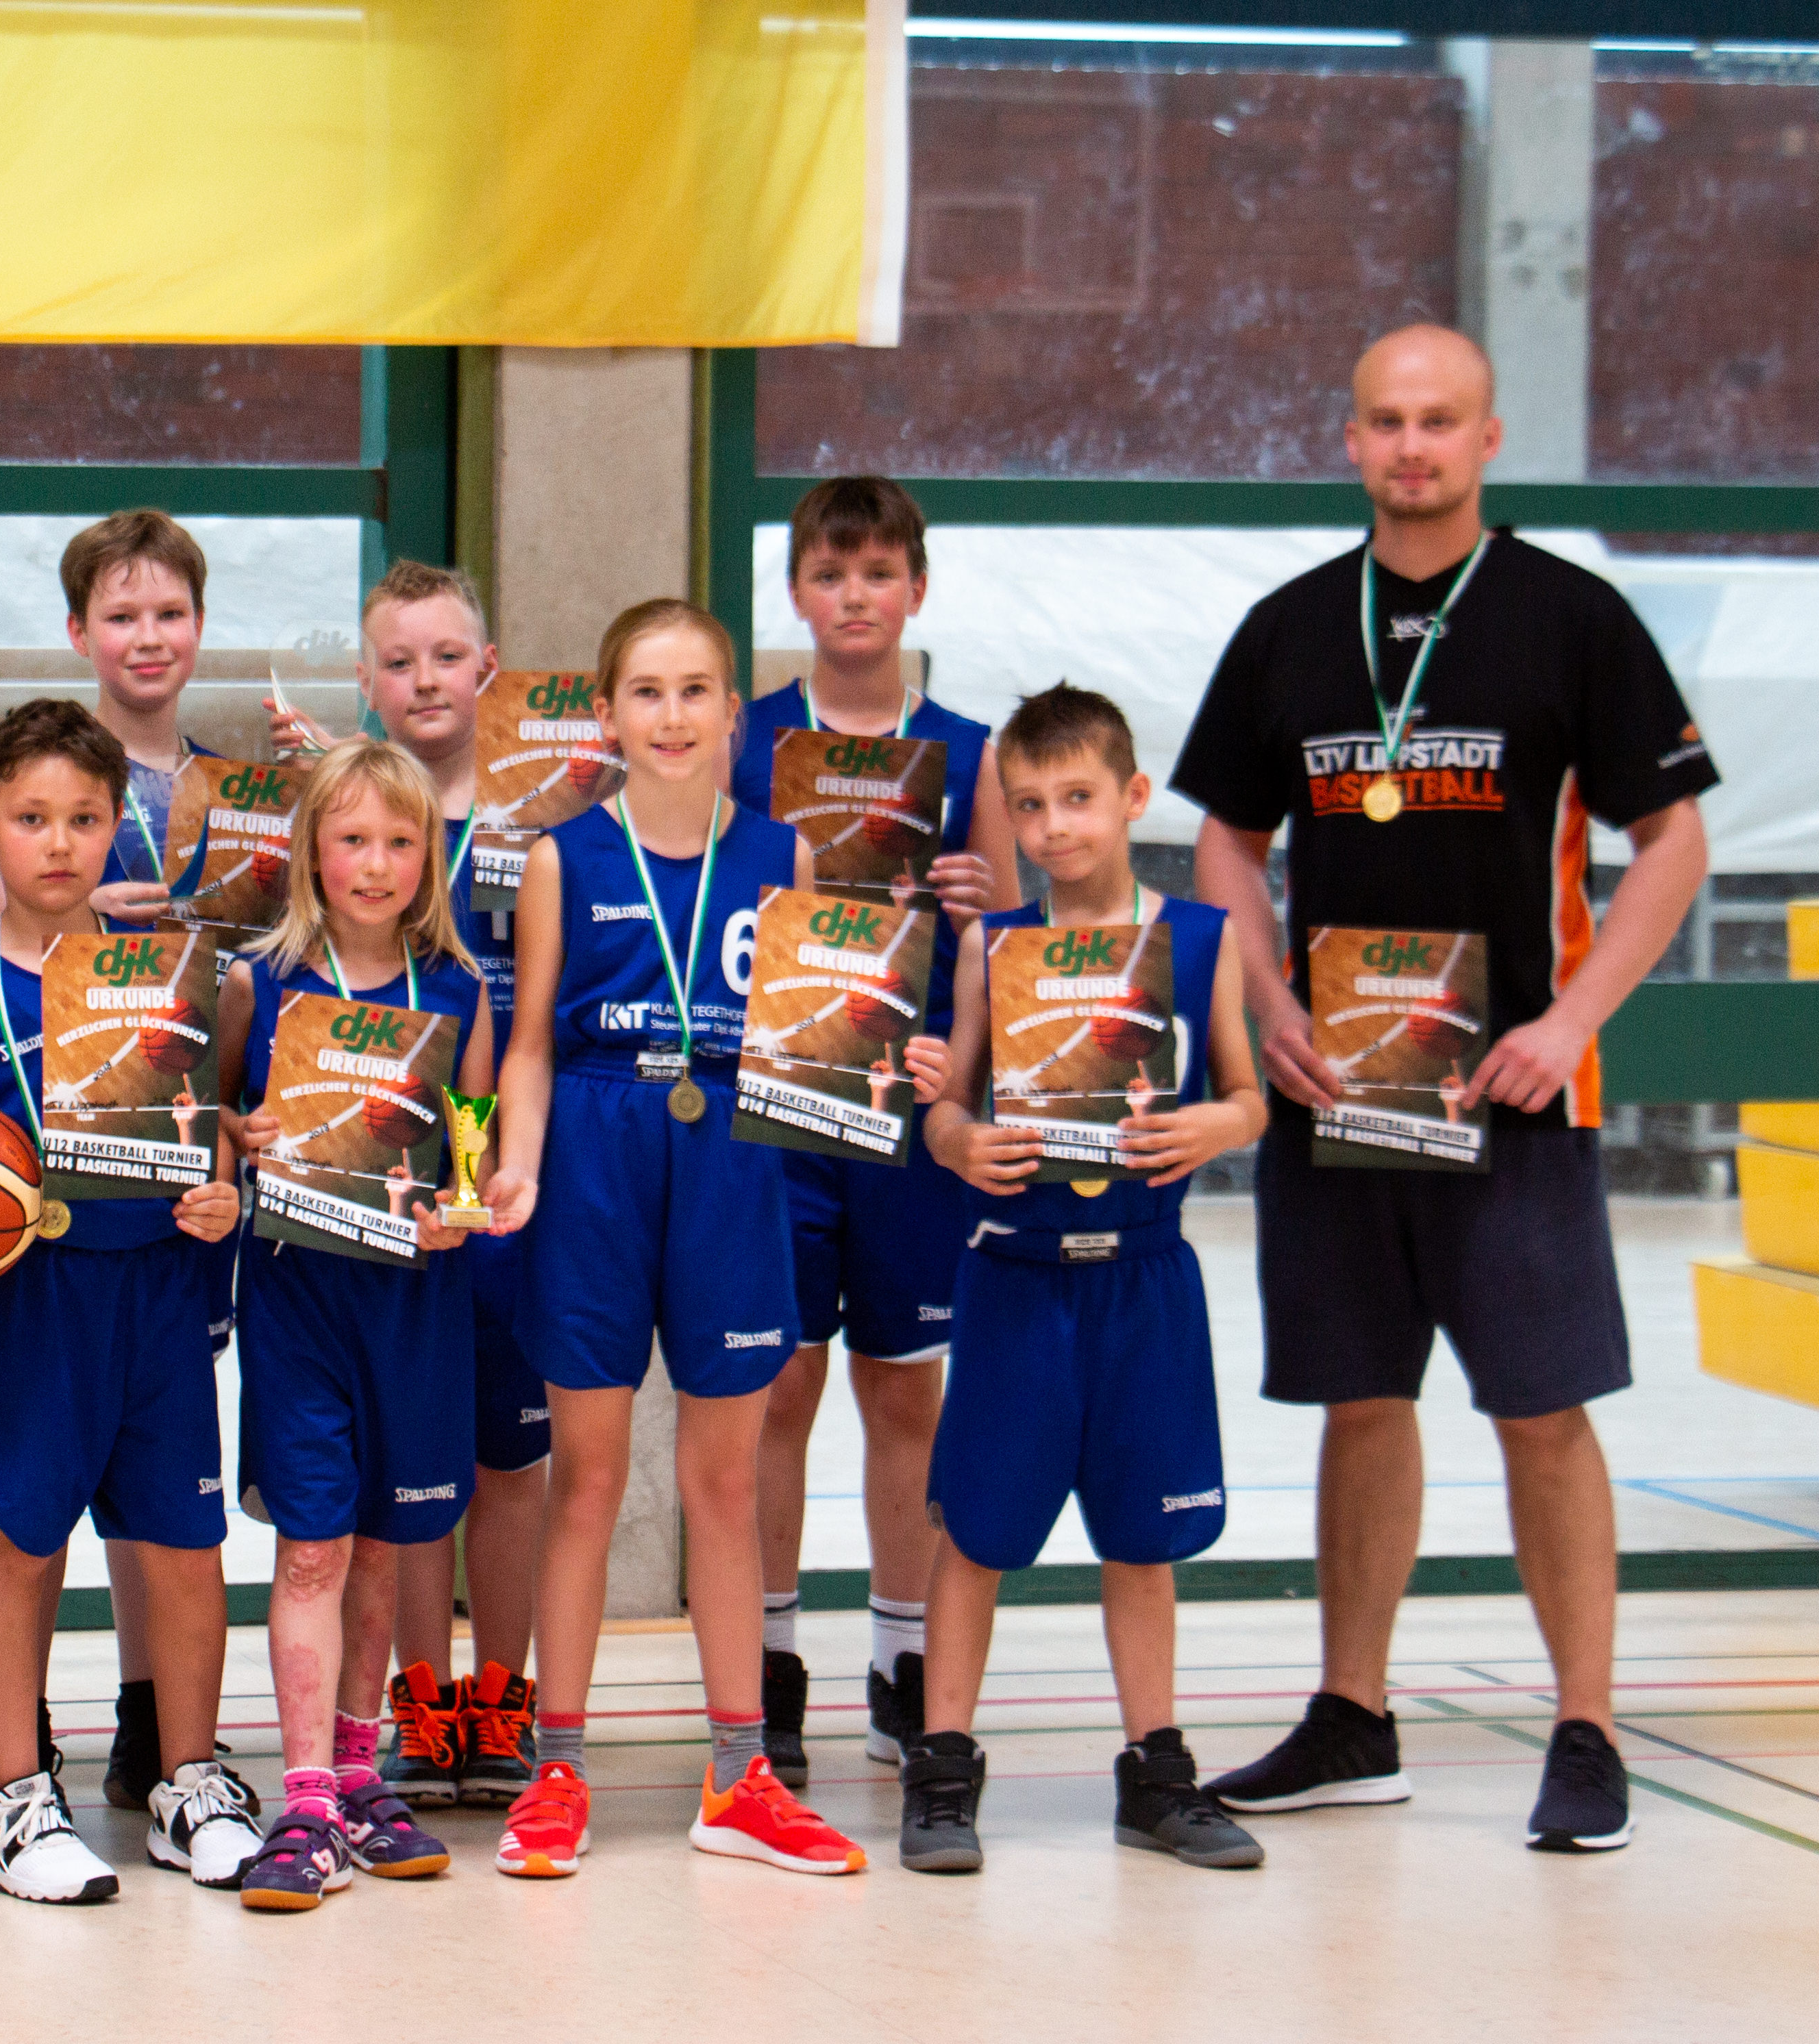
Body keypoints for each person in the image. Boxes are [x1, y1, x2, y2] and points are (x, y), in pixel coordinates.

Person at [1173, 324, 1716, 1856]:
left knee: (1543, 1413)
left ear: (1487, 440)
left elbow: (1673, 842)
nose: (1411, 446)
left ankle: (1587, 1729)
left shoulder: (1571, 616)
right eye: (1387, 421)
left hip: (1511, 1094)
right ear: (1349, 439)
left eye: (1439, 421)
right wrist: (1268, 1000)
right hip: (1341, 1090)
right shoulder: (1292, 626)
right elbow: (1225, 839)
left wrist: (1573, 1020)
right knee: (1360, 1402)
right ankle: (1354, 1718)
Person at [476, 600, 865, 1880]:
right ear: (606, 713)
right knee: (587, 1479)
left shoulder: (785, 854)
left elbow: (814, 1040)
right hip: (595, 1152)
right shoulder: (562, 858)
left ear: (734, 714)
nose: (673, 714)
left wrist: (877, 1071)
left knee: (724, 1484)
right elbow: (529, 1044)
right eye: (647, 691)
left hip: (732, 1161)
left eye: (697, 689)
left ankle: (742, 1776)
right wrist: (517, 1161)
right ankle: (557, 1771)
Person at [0, 700, 260, 1904]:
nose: (59, 843)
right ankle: (10, 1802)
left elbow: (216, 1131)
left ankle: (187, 1783)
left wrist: (223, 1191)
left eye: (85, 819)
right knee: (20, 1540)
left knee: (184, 1544)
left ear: (117, 828)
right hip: (27, 1300)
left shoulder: (178, 974)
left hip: (158, 1286)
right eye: (32, 818)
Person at [903, 684, 1268, 1875]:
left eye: (1077, 799)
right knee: (976, 1532)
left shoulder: (1200, 939)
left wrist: (1216, 1127)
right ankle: (942, 1769)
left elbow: (1250, 1097)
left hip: (1144, 1281)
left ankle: (1156, 1772)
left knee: (1142, 1538)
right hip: (1017, 1278)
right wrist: (960, 1142)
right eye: (1030, 806)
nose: (1054, 826)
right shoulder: (992, 947)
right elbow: (949, 1108)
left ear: (1132, 797)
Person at [729, 475, 1013, 1784]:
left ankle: (903, 1661)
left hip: (907, 1117)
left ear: (916, 587)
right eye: (831, 574)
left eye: (878, 573)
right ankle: (771, 1661)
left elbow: (1010, 942)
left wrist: (981, 894)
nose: (855, 596)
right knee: (778, 1388)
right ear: (797, 591)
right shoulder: (746, 739)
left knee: (904, 1390)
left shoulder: (969, 751)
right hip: (785, 1107)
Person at [265, 559, 547, 1811]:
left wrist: (474, 1191)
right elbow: (241, 1097)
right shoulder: (276, 965)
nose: (425, 680)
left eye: (446, 656)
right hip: (325, 1267)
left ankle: (480, 1708)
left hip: (459, 1239)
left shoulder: (537, 834)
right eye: (398, 660)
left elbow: (480, 1116)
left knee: (481, 1475)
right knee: (365, 1512)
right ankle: (389, 1731)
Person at [216, 739, 495, 1910]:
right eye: (352, 841)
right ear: (310, 853)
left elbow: (472, 1150)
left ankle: (359, 1771)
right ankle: (306, 1801)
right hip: (300, 1297)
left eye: (399, 842)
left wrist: (462, 1211)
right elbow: (218, 1122)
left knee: (382, 1546)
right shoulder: (259, 983)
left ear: (429, 856)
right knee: (314, 1546)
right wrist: (242, 1134)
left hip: (413, 1301)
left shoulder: (461, 992)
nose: (376, 865)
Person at [61, 507, 237, 1808]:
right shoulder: (52, 780)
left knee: (167, 1453)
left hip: (197, 1157)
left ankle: (157, 1719)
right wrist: (74, 909)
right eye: (122, 615)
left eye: (168, 613)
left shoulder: (240, 793)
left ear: (199, 625)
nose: (147, 636)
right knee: (73, 1450)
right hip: (76, 1158)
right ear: (80, 633)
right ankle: (113, 1710)